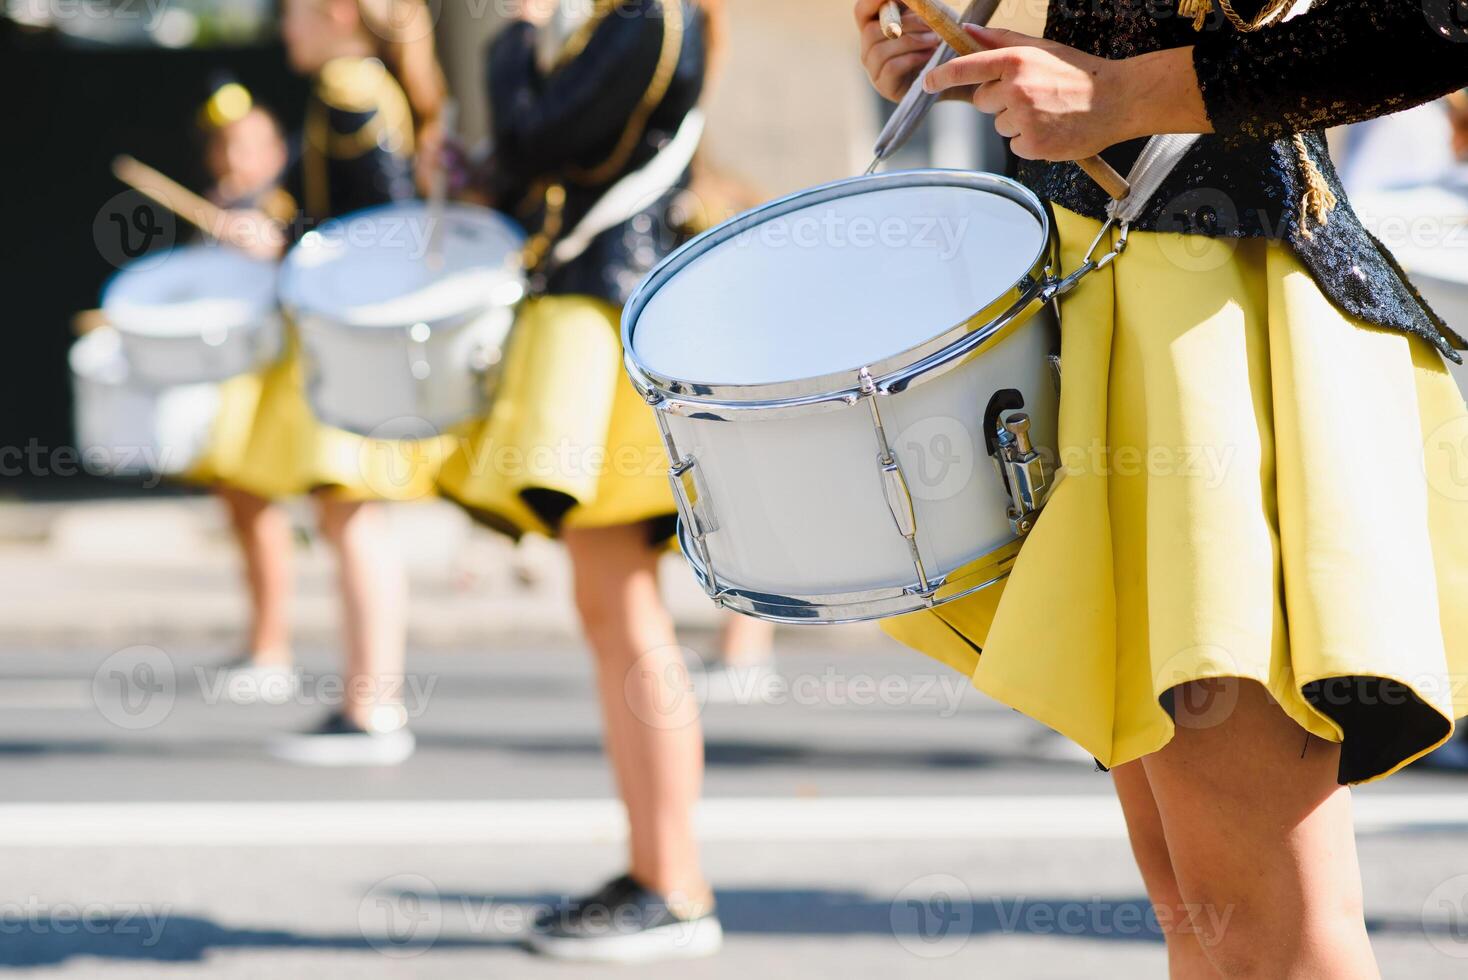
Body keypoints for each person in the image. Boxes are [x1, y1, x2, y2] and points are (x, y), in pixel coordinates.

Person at [858, 1, 1468, 975]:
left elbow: (1436, 23)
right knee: (1198, 909)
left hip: (1209, 325)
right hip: (1108, 288)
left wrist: (1113, 93)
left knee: (1269, 922)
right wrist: (961, 42)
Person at [436, 0, 734, 961]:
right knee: (613, 615)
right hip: (591, 312)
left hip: (604, 321)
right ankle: (656, 867)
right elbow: (533, 163)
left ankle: (674, 880)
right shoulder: (620, 19)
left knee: (626, 616)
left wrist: (515, 40)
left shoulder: (650, 18)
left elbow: (533, 138)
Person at [196, 0, 450, 765]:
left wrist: (283, 242)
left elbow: (373, 224)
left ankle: (373, 707)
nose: (286, 27)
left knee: (352, 517)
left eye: (297, 11)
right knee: (348, 516)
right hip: (362, 330)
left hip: (353, 333)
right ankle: (368, 701)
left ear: (339, 13)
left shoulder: (348, 84)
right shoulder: (369, 82)